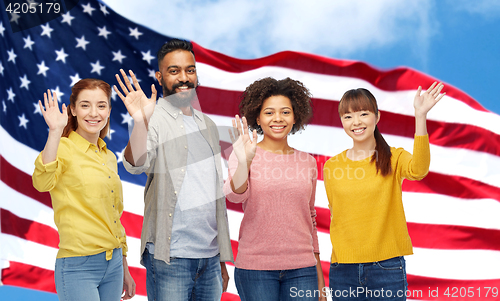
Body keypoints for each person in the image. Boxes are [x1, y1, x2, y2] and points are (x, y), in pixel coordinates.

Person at [114, 38, 233, 301]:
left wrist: (222, 259)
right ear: (160, 76)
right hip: (170, 257)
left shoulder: (209, 126)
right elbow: (135, 165)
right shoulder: (153, 117)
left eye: (189, 70)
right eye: (174, 71)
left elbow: (214, 195)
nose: (184, 78)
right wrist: (140, 122)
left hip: (210, 260)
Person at [323, 82, 445, 300]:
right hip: (343, 270)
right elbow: (337, 214)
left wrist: (420, 116)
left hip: (386, 267)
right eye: (348, 116)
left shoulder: (393, 157)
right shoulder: (332, 166)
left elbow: (419, 169)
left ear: (377, 117)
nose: (356, 122)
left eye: (363, 113)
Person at [223, 77, 327, 301]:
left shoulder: (308, 162)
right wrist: (244, 162)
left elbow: (310, 218)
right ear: (257, 118)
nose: (277, 118)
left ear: (295, 116)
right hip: (255, 269)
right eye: (269, 112)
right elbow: (233, 195)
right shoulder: (243, 153)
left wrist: (318, 274)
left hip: (303, 269)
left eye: (285, 112)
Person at [32, 79, 136, 301]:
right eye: (85, 105)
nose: (93, 113)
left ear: (108, 110)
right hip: (78, 266)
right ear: (73, 110)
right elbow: (42, 182)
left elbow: (114, 216)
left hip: (114, 263)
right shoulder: (62, 147)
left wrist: (124, 266)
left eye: (101, 105)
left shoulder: (107, 156)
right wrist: (54, 132)